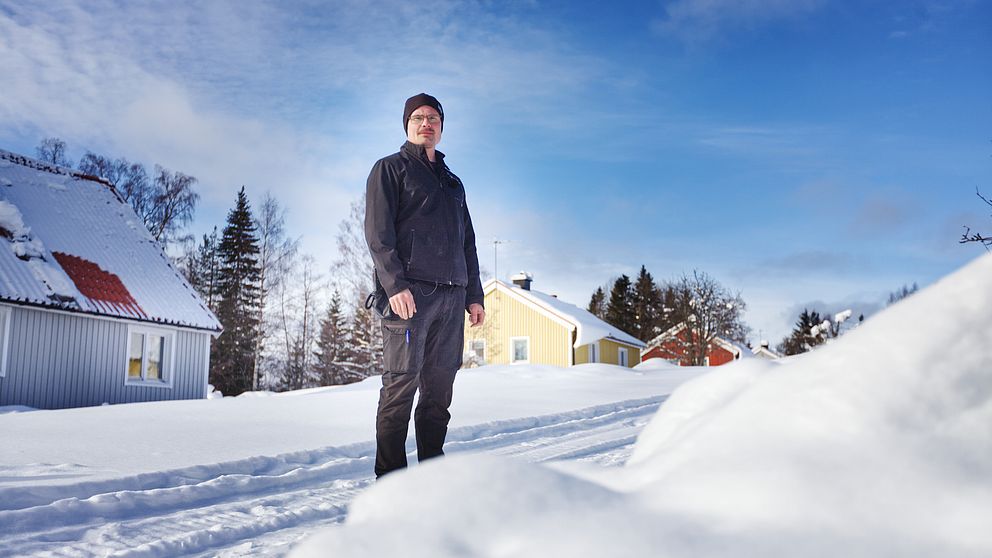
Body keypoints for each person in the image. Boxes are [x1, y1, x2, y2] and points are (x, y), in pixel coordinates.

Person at [364, 93, 485, 478]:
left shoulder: (453, 183)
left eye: (433, 117)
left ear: (442, 125)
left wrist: (474, 294)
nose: (426, 123)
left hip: (451, 299)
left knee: (438, 394)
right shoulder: (390, 170)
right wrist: (395, 285)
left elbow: (467, 241)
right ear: (407, 124)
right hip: (410, 298)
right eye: (418, 117)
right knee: (400, 388)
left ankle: (431, 478)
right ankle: (391, 482)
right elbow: (378, 234)